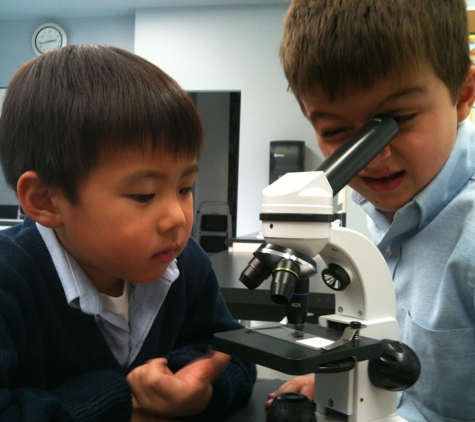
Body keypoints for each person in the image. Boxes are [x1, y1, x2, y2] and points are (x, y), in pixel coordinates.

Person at [0, 44, 256, 422]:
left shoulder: (185, 264)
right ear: (47, 201)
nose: (176, 218)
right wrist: (122, 402)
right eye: (143, 195)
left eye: (184, 188)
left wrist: (195, 389)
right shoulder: (10, 281)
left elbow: (228, 350)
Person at [266, 0, 475, 420]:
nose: (370, 158)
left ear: (462, 97)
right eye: (336, 132)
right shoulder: (383, 199)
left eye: (397, 119)